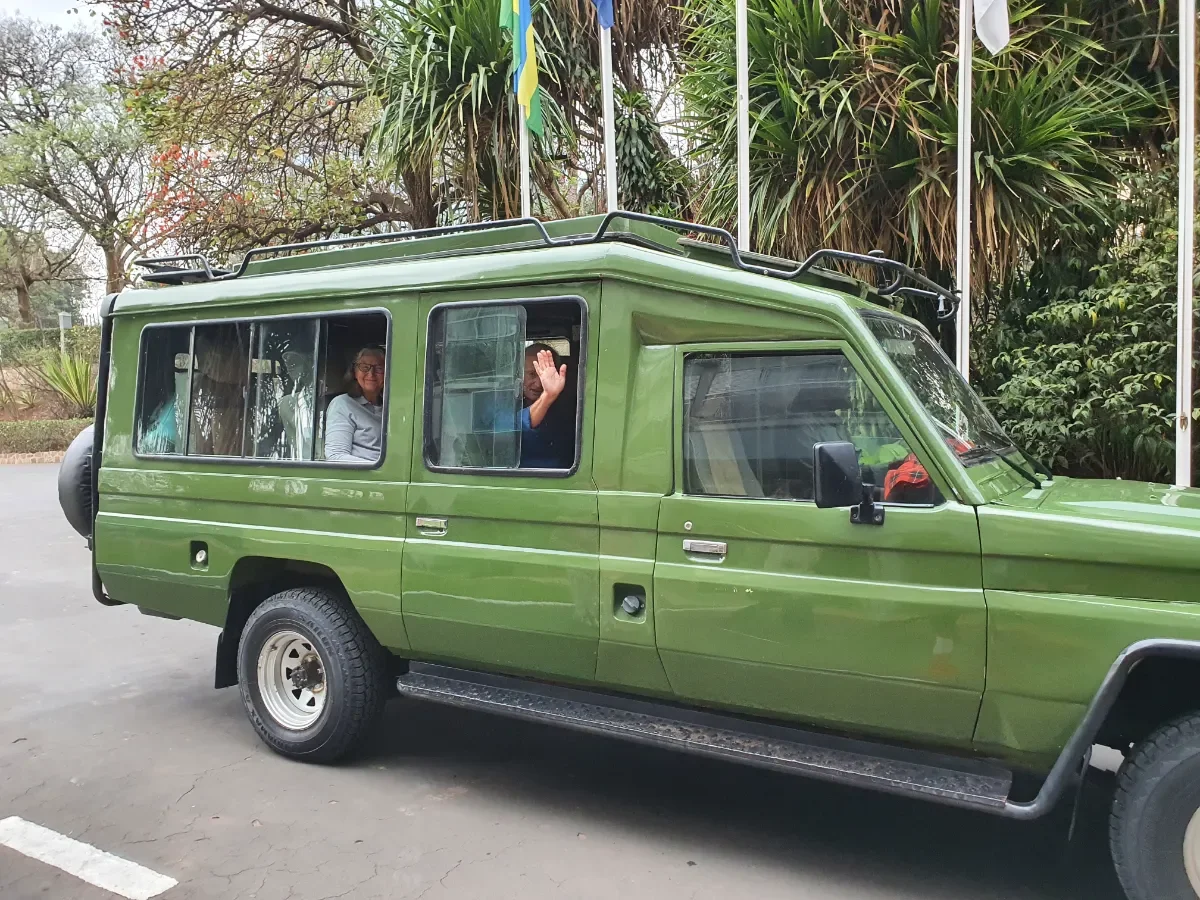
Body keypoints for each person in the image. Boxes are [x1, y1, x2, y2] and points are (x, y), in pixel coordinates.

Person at [324, 347, 385, 462]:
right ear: (354, 372)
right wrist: (382, 471)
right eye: (364, 367)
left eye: (379, 368)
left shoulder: (393, 407)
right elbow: (335, 456)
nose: (371, 374)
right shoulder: (342, 404)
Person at [518, 343, 571, 468]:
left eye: (544, 376)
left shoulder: (568, 408)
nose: (538, 384)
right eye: (532, 374)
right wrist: (548, 396)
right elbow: (512, 427)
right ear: (518, 374)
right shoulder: (503, 400)